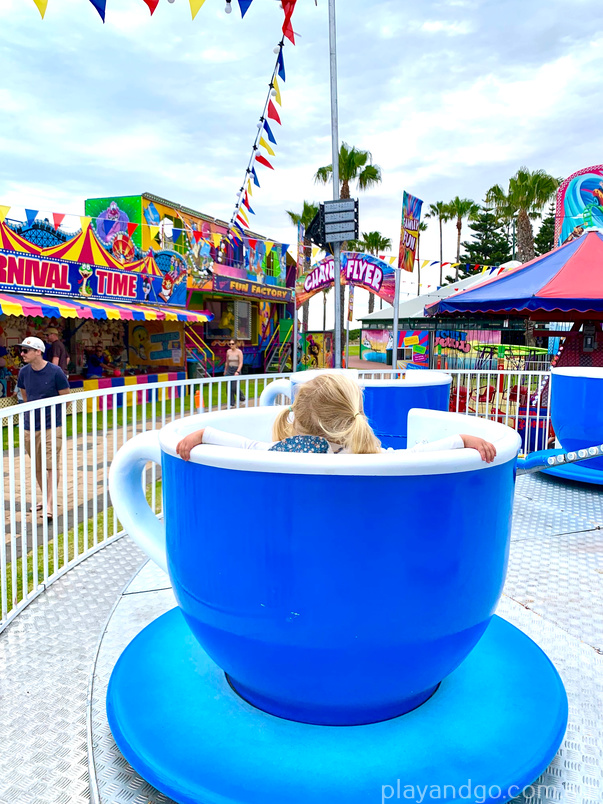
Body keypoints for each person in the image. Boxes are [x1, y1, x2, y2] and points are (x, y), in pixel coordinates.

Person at [176, 373, 496, 461]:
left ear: (295, 417)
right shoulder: (366, 456)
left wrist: (203, 434)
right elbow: (416, 455)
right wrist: (461, 440)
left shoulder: (278, 455)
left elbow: (242, 446)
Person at [17, 336, 71, 516]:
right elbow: (26, 397)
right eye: (22, 350)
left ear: (38, 351)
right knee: (38, 465)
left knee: (50, 464)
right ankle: (45, 498)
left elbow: (66, 397)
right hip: (30, 426)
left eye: (26, 350)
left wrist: (53, 416)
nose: (22, 353)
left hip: (52, 425)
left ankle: (49, 504)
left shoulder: (55, 372)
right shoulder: (23, 372)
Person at [225, 339, 245, 406]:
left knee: (234, 387)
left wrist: (237, 371)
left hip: (236, 369)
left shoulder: (239, 352)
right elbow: (227, 362)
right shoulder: (228, 351)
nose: (231, 345)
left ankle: (242, 398)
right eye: (230, 344)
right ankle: (231, 403)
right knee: (228, 387)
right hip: (229, 369)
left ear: (236, 344)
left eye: (232, 344)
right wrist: (225, 370)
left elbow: (240, 362)